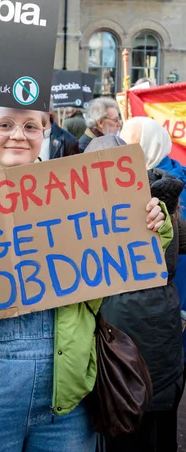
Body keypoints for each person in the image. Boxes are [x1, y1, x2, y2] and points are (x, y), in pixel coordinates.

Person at [0, 105, 169, 452]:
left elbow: (133, 250)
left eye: (31, 126)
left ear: (44, 133)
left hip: (67, 398)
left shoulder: (78, 192)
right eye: (4, 124)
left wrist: (155, 220)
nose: (18, 135)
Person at [91, 122, 184, 452]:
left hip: (124, 346)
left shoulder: (127, 208)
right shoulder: (165, 198)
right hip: (162, 339)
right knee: (158, 430)